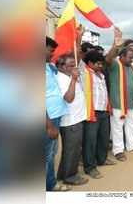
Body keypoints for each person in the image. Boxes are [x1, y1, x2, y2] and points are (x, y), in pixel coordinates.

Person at [105, 28, 133, 161]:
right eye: (130, 58)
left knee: (132, 125)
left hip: (131, 103)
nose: (132, 60)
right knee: (118, 127)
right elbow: (108, 58)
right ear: (122, 56)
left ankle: (132, 145)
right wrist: (116, 44)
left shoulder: (132, 68)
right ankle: (118, 150)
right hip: (118, 103)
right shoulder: (115, 65)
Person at [80, 50, 116, 180]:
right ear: (89, 63)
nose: (101, 66)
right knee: (90, 141)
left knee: (104, 138)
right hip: (92, 112)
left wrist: (108, 106)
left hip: (104, 111)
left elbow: (104, 92)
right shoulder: (84, 73)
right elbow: (78, 58)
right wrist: (78, 38)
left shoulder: (101, 75)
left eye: (101, 64)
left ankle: (102, 159)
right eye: (98, 64)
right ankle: (90, 167)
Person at [56, 54, 88, 186]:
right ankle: (70, 176)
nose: (73, 68)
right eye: (70, 66)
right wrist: (74, 80)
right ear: (61, 67)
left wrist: (74, 78)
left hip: (77, 118)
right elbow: (68, 98)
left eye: (74, 65)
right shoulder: (62, 79)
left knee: (72, 149)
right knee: (72, 150)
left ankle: (64, 173)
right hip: (71, 120)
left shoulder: (68, 76)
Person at [45, 37, 71, 192]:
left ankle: (50, 183)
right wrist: (48, 125)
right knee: (47, 155)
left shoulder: (49, 67)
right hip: (48, 120)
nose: (52, 54)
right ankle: (50, 186)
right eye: (51, 50)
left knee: (52, 153)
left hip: (55, 116)